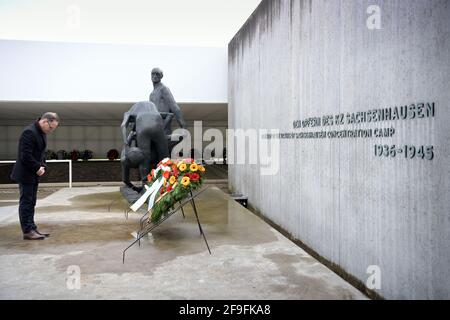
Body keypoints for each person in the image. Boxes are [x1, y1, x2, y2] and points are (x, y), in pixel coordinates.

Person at [10, 112, 60, 240]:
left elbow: (41, 153)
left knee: (32, 202)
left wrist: (43, 165)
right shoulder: (29, 132)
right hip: (25, 173)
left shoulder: (41, 133)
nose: (51, 131)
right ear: (44, 121)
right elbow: (25, 155)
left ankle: (32, 228)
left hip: (33, 174)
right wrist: (37, 168)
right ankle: (27, 231)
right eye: (51, 128)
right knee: (26, 202)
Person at [149, 67, 186, 136]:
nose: (155, 76)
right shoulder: (151, 95)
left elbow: (174, 107)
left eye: (157, 74)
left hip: (164, 128)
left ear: (161, 76)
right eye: (153, 74)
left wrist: (183, 126)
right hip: (154, 128)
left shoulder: (163, 89)